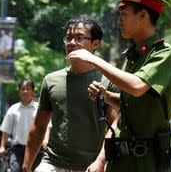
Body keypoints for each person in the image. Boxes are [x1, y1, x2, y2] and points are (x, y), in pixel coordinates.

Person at [70, 0, 171, 171]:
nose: (119, 22)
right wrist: (107, 96)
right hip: (120, 160)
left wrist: (94, 59)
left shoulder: (164, 53)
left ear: (143, 15)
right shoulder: (133, 56)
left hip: (147, 163)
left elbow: (137, 87)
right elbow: (132, 104)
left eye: (124, 15)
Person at [23, 16, 119, 172]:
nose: (71, 43)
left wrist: (101, 161)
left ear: (96, 43)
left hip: (90, 166)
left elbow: (115, 126)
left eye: (79, 37)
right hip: (51, 163)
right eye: (68, 37)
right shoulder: (51, 80)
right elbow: (39, 126)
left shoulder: (109, 81)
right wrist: (26, 166)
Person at [0, 80, 42, 172]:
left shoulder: (39, 109)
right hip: (17, 150)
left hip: (35, 150)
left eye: (28, 89)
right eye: (22, 89)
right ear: (19, 91)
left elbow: (46, 128)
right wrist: (2, 146)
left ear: (33, 91)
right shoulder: (13, 109)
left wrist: (46, 141)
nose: (25, 91)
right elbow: (6, 129)